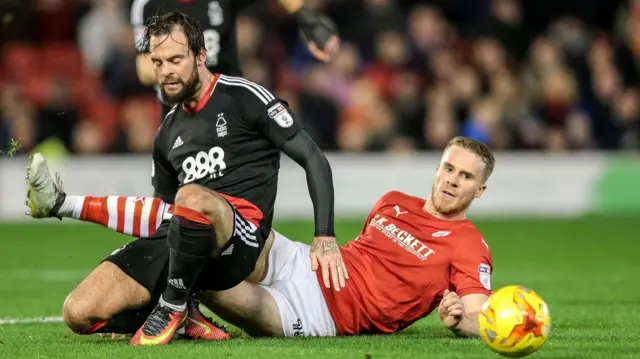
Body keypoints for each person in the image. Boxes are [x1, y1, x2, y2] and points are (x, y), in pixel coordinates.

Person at [28, 10, 346, 347]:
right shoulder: (166, 134)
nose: (166, 72)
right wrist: (66, 205)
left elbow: (313, 158)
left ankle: (173, 303)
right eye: (158, 62)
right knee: (77, 311)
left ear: (200, 55)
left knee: (192, 196)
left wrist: (324, 236)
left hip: (240, 243)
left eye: (176, 59)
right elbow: (160, 215)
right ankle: (186, 316)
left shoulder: (244, 97)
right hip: (187, 241)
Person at [26, 136, 496, 339]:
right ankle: (71, 206)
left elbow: (479, 316)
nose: (452, 180)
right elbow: (366, 257)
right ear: (437, 169)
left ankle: (176, 301)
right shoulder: (393, 200)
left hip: (317, 314)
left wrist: (459, 321)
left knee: (198, 265)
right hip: (299, 260)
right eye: (449, 168)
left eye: (466, 177)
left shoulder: (469, 244)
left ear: (481, 188)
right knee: (203, 204)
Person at [130, 0, 340, 124]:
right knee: (178, 196)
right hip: (179, 116)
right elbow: (144, 67)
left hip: (228, 106)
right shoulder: (148, 4)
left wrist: (308, 21)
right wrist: (193, 67)